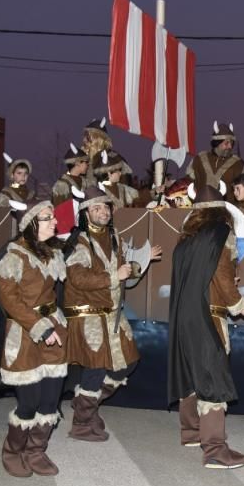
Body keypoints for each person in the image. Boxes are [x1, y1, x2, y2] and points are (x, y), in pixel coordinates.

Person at [62, 187, 160, 441]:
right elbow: (78, 277)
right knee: (95, 368)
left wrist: (141, 262)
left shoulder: (114, 236)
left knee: (128, 362)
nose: (103, 211)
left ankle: (86, 404)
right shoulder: (79, 241)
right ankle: (82, 424)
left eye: (105, 207)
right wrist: (114, 277)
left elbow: (124, 270)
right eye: (96, 208)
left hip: (114, 315)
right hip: (89, 317)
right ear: (85, 213)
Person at [167, 184, 244, 468]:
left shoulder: (185, 238)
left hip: (183, 316)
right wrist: (239, 304)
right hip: (208, 315)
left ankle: (191, 432)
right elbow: (222, 274)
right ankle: (215, 449)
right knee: (212, 374)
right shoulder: (220, 234)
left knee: (190, 373)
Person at [0, 199, 68, 477]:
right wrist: (40, 327)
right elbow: (10, 301)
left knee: (50, 400)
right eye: (48, 218)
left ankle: (35, 450)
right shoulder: (13, 257)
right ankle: (12, 451)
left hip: (54, 330)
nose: (54, 222)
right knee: (29, 402)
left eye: (53, 218)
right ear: (31, 224)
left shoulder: (52, 252)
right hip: (25, 336)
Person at [186, 121, 244, 196]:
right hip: (201, 205)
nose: (230, 146)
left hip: (228, 207)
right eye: (226, 143)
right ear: (217, 143)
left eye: (231, 143)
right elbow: (187, 182)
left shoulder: (238, 163)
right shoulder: (199, 159)